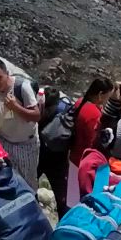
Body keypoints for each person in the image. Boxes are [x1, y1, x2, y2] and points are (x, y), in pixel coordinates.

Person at [0, 59, 41, 191]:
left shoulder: (22, 87)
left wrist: (16, 107)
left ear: (7, 74)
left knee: (26, 182)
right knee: (3, 176)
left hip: (26, 143)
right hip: (4, 140)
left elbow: (36, 116)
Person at [68, 77, 115, 206]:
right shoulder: (93, 113)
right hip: (84, 163)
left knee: (72, 200)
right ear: (100, 95)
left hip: (74, 157)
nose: (107, 101)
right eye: (107, 97)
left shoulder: (80, 102)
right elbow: (94, 140)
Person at [37, 86, 70, 219]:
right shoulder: (36, 105)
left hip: (58, 160)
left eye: (49, 109)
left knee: (63, 200)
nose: (45, 112)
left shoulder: (66, 112)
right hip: (38, 155)